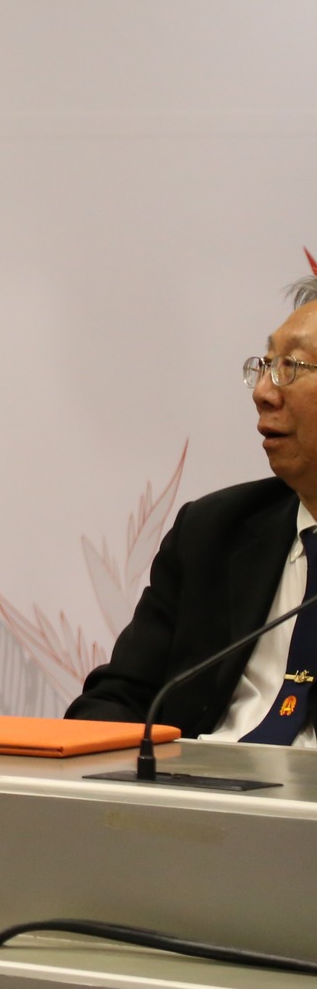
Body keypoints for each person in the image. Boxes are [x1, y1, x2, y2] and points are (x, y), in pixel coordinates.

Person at [68, 275, 317, 739]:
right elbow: (116, 699)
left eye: (291, 368)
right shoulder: (214, 531)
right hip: (199, 777)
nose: (263, 392)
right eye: (266, 365)